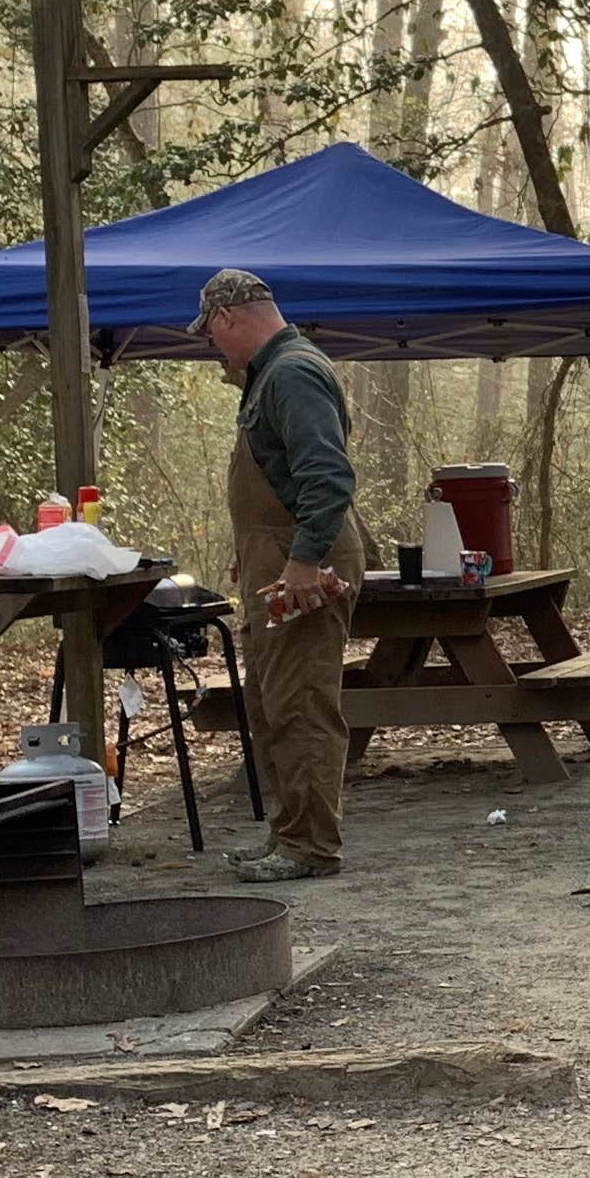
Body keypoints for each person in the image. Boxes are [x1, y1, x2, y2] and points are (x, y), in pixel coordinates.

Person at [197, 267, 372, 879]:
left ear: (226, 319)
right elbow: (281, 477)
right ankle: (289, 834)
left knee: (301, 705)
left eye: (212, 335)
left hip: (305, 563)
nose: (213, 347)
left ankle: (312, 848)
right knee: (271, 703)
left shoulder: (292, 371)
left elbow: (327, 476)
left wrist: (300, 562)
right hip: (278, 560)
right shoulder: (272, 373)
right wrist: (255, 551)